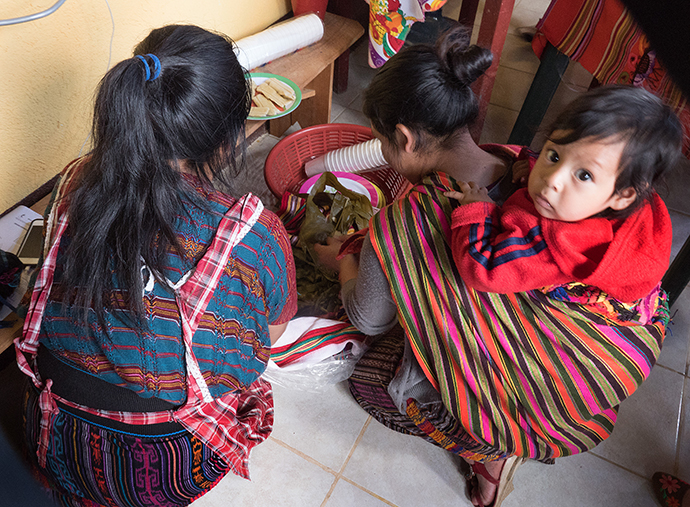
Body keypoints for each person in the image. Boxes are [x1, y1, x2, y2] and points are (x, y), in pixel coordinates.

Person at [314, 26, 680, 507]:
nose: (554, 179)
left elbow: (370, 318)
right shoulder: (522, 164)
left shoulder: (408, 220)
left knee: (370, 384)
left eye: (384, 144)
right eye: (556, 155)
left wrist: (342, 258)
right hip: (581, 378)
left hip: (534, 394)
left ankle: (488, 450)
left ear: (403, 138)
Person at [15, 25, 297, 507]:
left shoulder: (73, 181)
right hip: (161, 469)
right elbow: (275, 326)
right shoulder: (253, 232)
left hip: (55, 434)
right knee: (252, 370)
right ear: (229, 143)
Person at [444, 85, 676, 303]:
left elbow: (484, 270)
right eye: (554, 156)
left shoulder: (552, 243)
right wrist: (535, 164)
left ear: (622, 196)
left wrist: (477, 209)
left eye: (584, 175)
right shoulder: (612, 190)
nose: (553, 179)